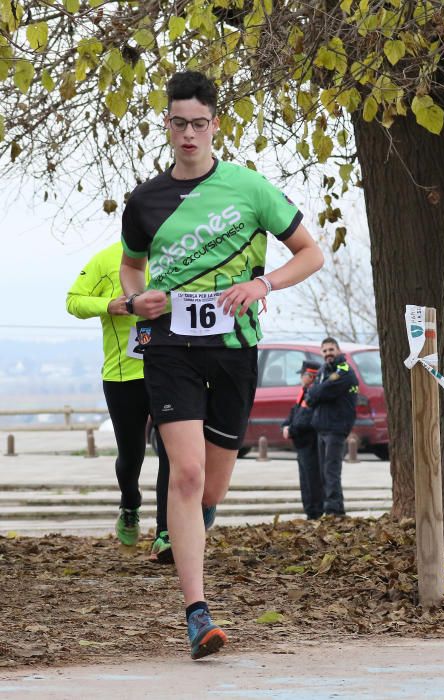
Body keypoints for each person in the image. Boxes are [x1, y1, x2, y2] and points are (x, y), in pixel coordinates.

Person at [119, 70, 324, 660]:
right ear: (167, 124)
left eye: (199, 124)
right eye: (178, 123)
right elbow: (134, 267)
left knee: (211, 485)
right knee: (183, 474)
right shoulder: (145, 200)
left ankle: (187, 528)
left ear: (215, 125)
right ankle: (196, 612)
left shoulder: (249, 188)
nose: (189, 134)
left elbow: (309, 254)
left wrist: (263, 283)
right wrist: (137, 301)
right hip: (169, 347)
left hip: (234, 349)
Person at [66, 241, 174, 563]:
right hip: (123, 375)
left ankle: (166, 532)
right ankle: (130, 503)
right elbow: (73, 301)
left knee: (172, 452)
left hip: (172, 371)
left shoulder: (182, 250)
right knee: (131, 455)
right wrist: (110, 305)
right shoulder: (106, 259)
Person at [306, 337, 359, 516]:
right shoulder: (322, 370)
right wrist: (317, 392)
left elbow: (321, 391)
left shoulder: (344, 370)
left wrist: (317, 392)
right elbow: (311, 395)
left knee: (331, 472)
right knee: (324, 473)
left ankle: (333, 512)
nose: (328, 353)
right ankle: (336, 510)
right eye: (325, 350)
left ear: (338, 350)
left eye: (331, 349)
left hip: (336, 428)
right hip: (322, 427)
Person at [282, 360, 323, 520]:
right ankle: (309, 511)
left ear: (311, 376)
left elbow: (305, 420)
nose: (300, 377)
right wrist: (285, 425)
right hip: (301, 444)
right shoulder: (304, 392)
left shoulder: (313, 394)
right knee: (305, 480)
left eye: (303, 374)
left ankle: (314, 513)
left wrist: (291, 429)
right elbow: (294, 413)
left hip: (309, 443)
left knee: (312, 480)